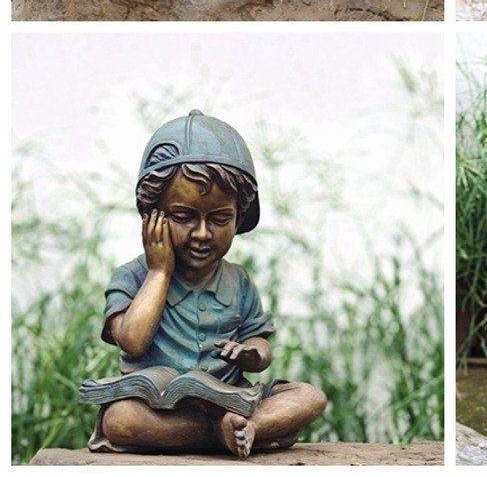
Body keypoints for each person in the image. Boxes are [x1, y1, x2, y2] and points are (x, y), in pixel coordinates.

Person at [85, 111, 325, 458]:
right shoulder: (132, 276)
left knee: (310, 396)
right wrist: (159, 273)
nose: (202, 233)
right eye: (183, 217)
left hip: (231, 398)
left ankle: (246, 427)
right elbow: (133, 341)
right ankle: (224, 433)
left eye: (220, 218)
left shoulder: (238, 281)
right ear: (152, 217)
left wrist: (252, 353)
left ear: (238, 218)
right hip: (158, 407)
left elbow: (259, 341)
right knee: (120, 421)